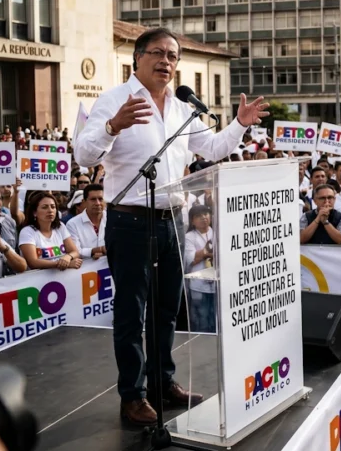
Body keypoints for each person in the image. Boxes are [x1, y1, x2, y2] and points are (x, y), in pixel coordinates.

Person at [74, 27, 269, 426]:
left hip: (171, 222)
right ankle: (133, 396)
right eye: (159, 54)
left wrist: (239, 124)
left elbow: (212, 150)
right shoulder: (114, 100)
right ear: (138, 58)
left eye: (173, 56)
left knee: (166, 312)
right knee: (132, 314)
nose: (167, 62)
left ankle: (164, 382)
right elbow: (82, 154)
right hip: (129, 222)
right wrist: (113, 126)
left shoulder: (184, 108)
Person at [18, 192, 82, 271]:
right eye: (45, 207)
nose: (50, 210)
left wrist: (68, 257)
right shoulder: (27, 231)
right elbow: (33, 262)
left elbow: (75, 251)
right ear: (34, 212)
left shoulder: (60, 226)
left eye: (53, 207)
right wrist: (62, 263)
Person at [183, 205, 216, 333]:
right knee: (200, 318)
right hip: (198, 284)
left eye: (206, 214)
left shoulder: (216, 231)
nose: (204, 217)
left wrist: (205, 253)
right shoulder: (189, 237)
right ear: (192, 221)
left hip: (216, 283)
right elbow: (191, 259)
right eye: (199, 216)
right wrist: (207, 253)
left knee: (215, 317)